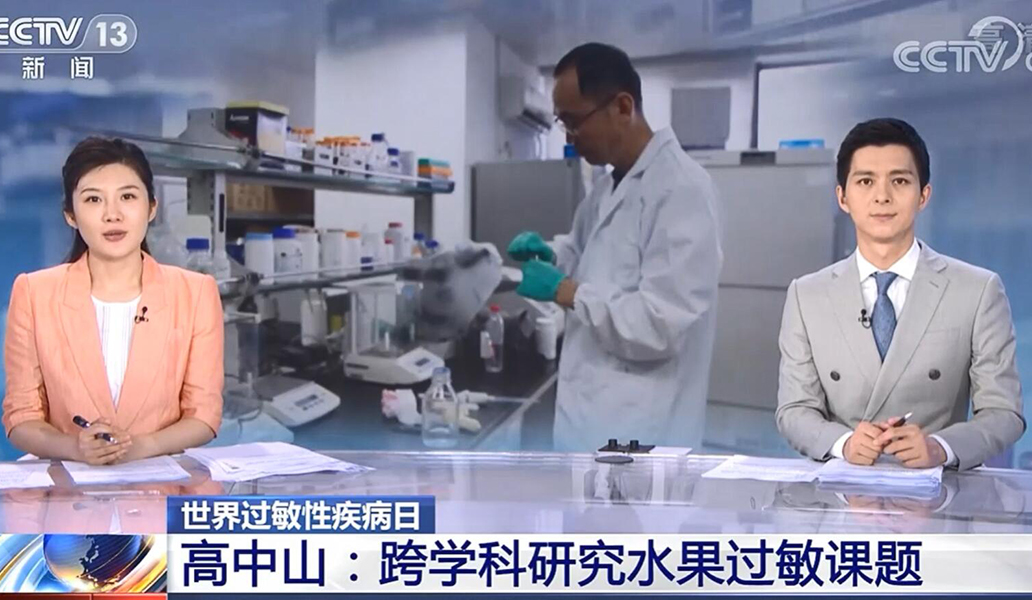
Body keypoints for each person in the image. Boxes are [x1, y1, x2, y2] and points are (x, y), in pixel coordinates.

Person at [507, 43, 722, 451]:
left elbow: (661, 325)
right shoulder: (607, 186)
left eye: (574, 122)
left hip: (642, 432)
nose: (569, 137)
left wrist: (565, 291)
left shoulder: (681, 189)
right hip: (589, 418)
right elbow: (585, 256)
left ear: (623, 107)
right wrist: (552, 256)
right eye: (561, 123)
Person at [776, 118, 1024, 470]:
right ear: (842, 197)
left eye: (900, 181)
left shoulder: (978, 290)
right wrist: (844, 443)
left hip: (939, 490)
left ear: (923, 195)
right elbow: (794, 410)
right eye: (865, 181)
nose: (882, 196)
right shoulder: (807, 296)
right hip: (841, 488)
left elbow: (1003, 412)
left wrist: (940, 448)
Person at [3, 137, 224, 465]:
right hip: (67, 482)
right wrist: (75, 447)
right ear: (70, 215)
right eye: (93, 199)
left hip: (161, 481)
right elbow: (21, 416)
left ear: (151, 207)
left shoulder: (196, 293)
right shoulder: (33, 293)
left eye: (128, 196)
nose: (112, 214)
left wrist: (142, 446)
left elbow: (204, 415)